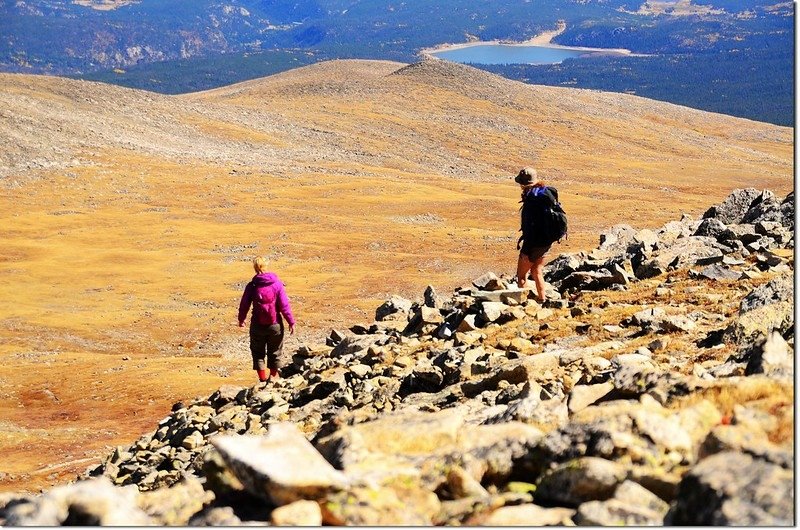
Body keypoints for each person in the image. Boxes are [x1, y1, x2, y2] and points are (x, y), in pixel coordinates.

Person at [238, 256, 296, 384]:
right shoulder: (277, 284)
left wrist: (241, 319)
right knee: (275, 351)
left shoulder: (252, 285)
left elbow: (244, 305)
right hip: (275, 324)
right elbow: (284, 305)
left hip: (257, 325)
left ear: (255, 268)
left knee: (258, 352)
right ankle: (273, 378)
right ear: (266, 266)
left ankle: (262, 379)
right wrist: (291, 322)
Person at [513, 167, 561, 303]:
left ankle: (524, 304)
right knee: (537, 271)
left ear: (523, 184)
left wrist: (527, 248)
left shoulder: (531, 200)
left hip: (532, 244)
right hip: (546, 242)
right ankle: (542, 300)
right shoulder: (546, 193)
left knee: (521, 276)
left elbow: (529, 227)